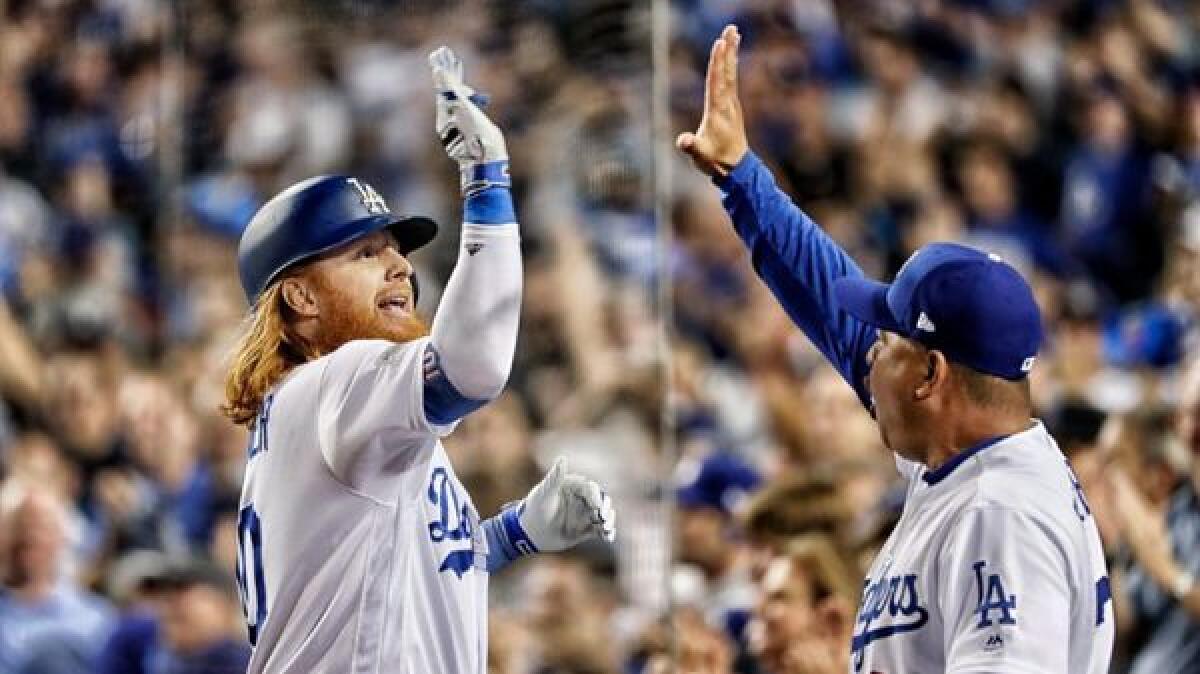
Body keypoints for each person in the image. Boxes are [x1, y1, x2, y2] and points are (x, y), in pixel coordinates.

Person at [677, 24, 1113, 672]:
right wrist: (743, 179)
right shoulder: (963, 455)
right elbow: (833, 306)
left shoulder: (1003, 515)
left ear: (930, 375)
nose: (867, 352)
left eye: (887, 340)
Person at [222, 48, 614, 673]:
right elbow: (474, 365)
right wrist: (487, 179)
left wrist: (512, 534)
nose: (401, 264)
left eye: (395, 251)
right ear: (299, 296)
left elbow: (403, 568)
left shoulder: (336, 416)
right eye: (365, 253)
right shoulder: (332, 387)